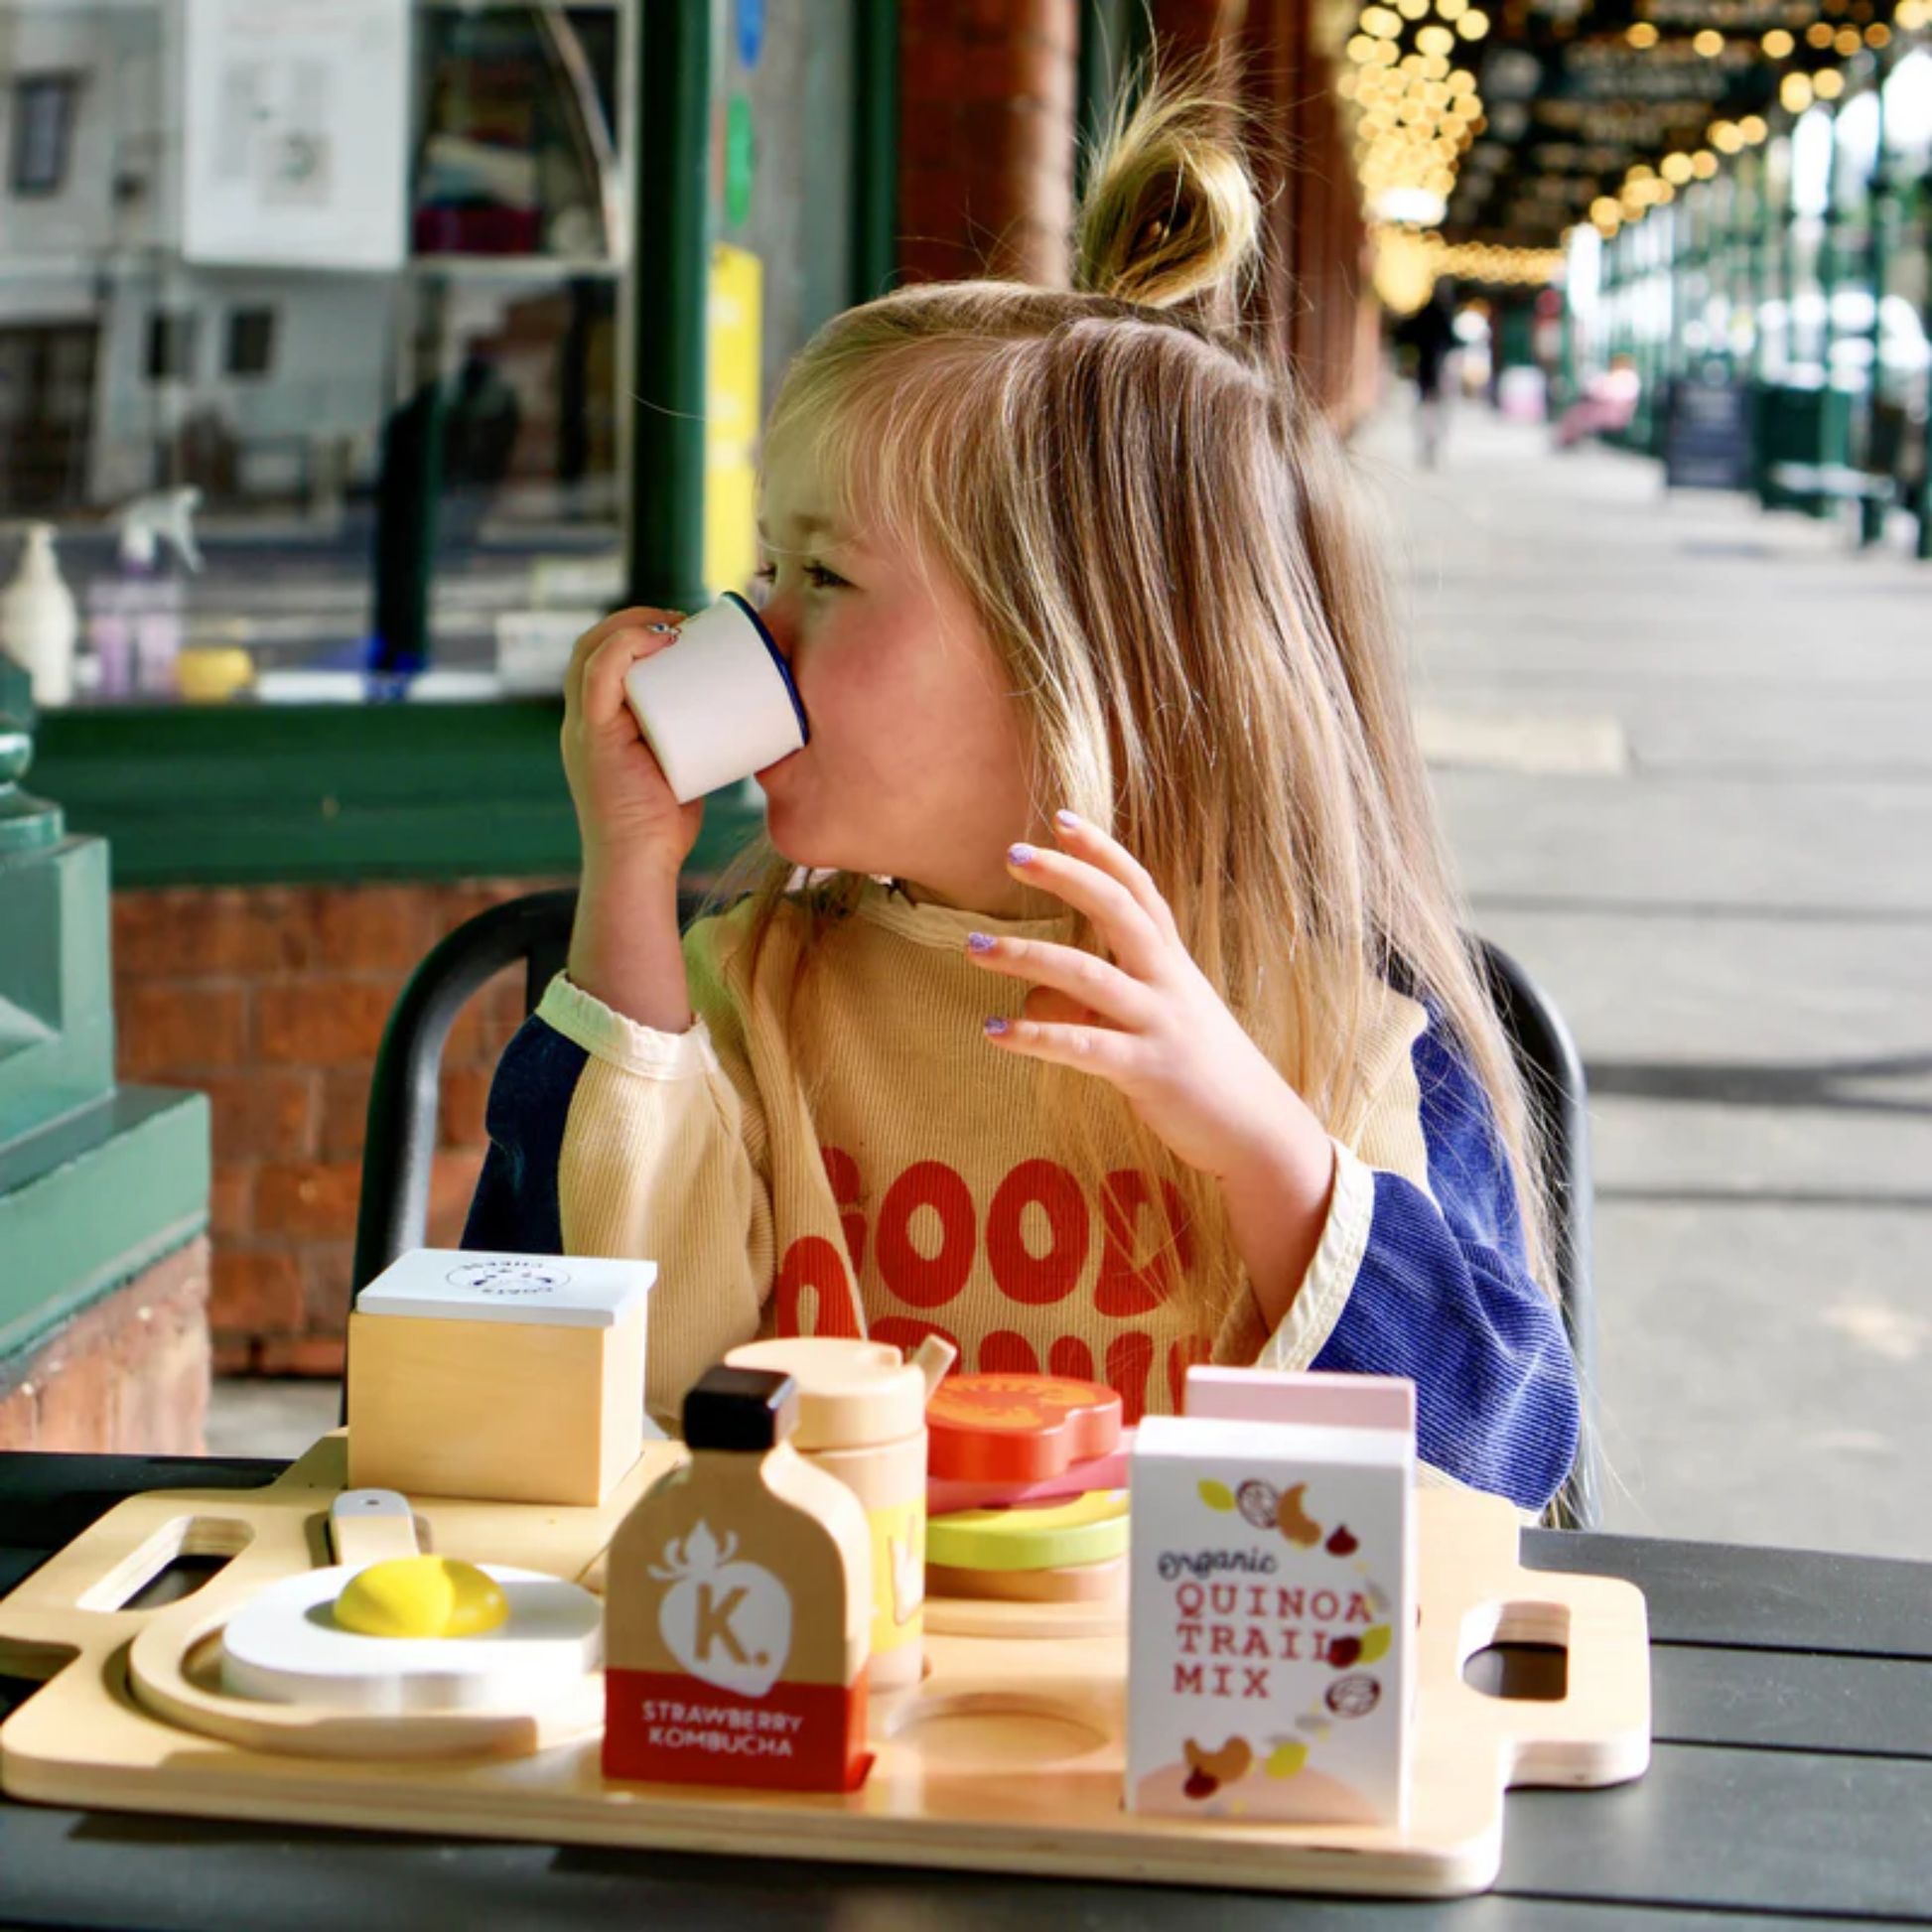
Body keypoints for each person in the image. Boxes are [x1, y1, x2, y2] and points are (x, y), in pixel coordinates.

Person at [464, 83, 1580, 1514]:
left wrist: (1260, 1141)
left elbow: (1496, 1463)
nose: (746, 621)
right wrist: (624, 882)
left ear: (1088, 669)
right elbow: (574, 1370)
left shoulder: (1329, 1029)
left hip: (1191, 1726)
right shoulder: (744, 993)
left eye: (822, 574)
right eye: (765, 564)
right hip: (822, 1689)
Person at [1394, 286, 1459, 468]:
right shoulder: (1444, 315)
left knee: (1425, 407)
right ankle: (1433, 442)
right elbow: (1453, 341)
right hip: (1437, 369)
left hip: (1423, 368)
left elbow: (1404, 335)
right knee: (1437, 408)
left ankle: (1427, 443)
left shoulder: (1423, 314)